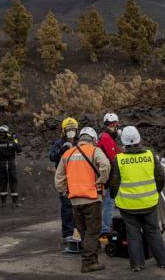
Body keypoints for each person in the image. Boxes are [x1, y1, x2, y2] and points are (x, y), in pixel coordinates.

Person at [109, 126, 165, 272]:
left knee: (133, 234)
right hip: (149, 202)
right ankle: (163, 261)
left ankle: (137, 264)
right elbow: (160, 176)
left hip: (128, 206)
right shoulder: (149, 155)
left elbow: (114, 183)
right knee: (153, 231)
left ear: (123, 142)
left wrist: (113, 196)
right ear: (138, 139)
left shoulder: (119, 159)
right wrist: (156, 192)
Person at [55, 127, 110, 273]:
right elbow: (105, 165)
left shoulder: (68, 153)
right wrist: (101, 180)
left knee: (83, 230)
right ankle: (88, 262)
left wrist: (63, 191)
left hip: (74, 200)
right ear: (93, 139)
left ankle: (92, 256)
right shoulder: (95, 151)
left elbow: (59, 176)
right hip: (91, 199)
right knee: (93, 231)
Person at [49, 117, 78, 241]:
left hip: (78, 178)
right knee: (66, 206)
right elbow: (52, 156)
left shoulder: (79, 142)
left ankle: (78, 231)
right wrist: (62, 150)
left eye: (73, 129)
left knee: (78, 205)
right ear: (64, 130)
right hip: (65, 179)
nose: (71, 132)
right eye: (69, 129)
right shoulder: (59, 143)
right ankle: (67, 233)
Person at [97, 112, 122, 241]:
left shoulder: (107, 137)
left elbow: (118, 152)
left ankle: (105, 227)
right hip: (107, 176)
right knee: (109, 203)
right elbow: (114, 158)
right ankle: (105, 229)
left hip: (106, 174)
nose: (116, 128)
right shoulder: (106, 137)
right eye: (114, 125)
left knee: (109, 202)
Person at [0, 124, 22, 207]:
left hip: (2, 164)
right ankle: (15, 202)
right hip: (11, 163)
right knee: (13, 182)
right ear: (7, 132)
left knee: (3, 183)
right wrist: (15, 140)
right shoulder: (11, 142)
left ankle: (3, 203)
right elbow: (19, 149)